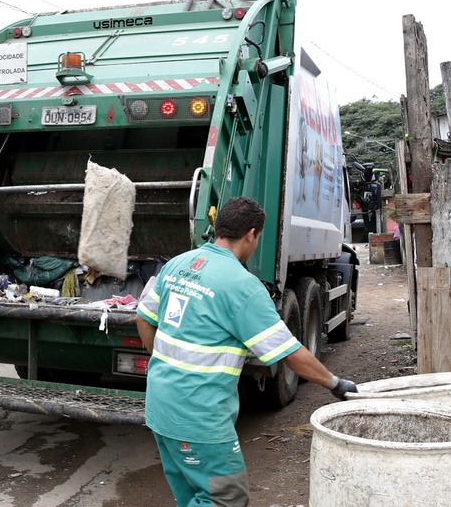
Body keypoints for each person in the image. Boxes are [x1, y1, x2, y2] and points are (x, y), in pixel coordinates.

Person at [135, 196, 357, 507]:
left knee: (192, 495)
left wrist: (163, 360)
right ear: (251, 234)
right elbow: (289, 353)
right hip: (200, 419)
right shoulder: (243, 286)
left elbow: (143, 318)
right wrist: (334, 383)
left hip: (160, 406)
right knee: (227, 497)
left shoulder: (177, 264)